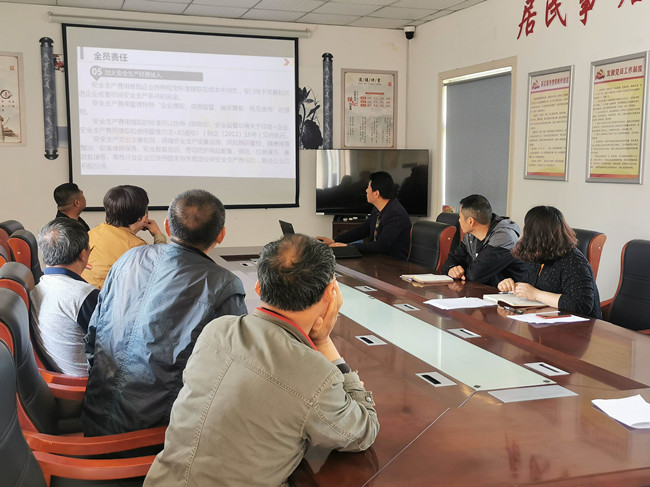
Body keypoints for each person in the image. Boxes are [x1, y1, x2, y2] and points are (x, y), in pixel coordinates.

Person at [144, 234, 379, 487]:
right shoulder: (315, 375)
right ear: (330, 294)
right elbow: (363, 432)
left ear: (258, 287)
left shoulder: (216, 330)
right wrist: (324, 342)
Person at [81, 189, 247, 436]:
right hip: (158, 436)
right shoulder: (224, 284)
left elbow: (93, 335)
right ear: (221, 235)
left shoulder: (129, 258)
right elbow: (235, 372)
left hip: (94, 413)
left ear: (167, 226)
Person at [497, 206, 601, 319]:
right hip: (545, 320)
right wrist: (516, 287)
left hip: (578, 326)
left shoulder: (573, 261)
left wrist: (536, 294)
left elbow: (581, 305)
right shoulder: (540, 255)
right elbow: (535, 287)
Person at [30, 218, 98, 377]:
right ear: (83, 254)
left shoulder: (37, 289)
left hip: (59, 377)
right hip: (91, 383)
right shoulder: (84, 295)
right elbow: (115, 344)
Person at [82, 185, 167, 289]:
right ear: (141, 217)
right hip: (106, 297)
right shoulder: (136, 246)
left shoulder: (93, 232)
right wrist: (158, 235)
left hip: (84, 293)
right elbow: (159, 271)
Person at [317, 171, 411, 260]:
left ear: (376, 193)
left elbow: (381, 246)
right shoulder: (378, 209)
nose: (366, 190)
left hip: (394, 264)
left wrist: (348, 247)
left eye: (368, 187)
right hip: (379, 260)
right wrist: (335, 240)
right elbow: (362, 230)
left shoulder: (395, 214)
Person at [441, 194, 528, 287]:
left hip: (509, 293)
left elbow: (476, 275)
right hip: (484, 290)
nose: (459, 220)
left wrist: (460, 273)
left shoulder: (504, 237)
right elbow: (452, 259)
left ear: (471, 221)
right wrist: (451, 269)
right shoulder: (471, 235)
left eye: (460, 217)